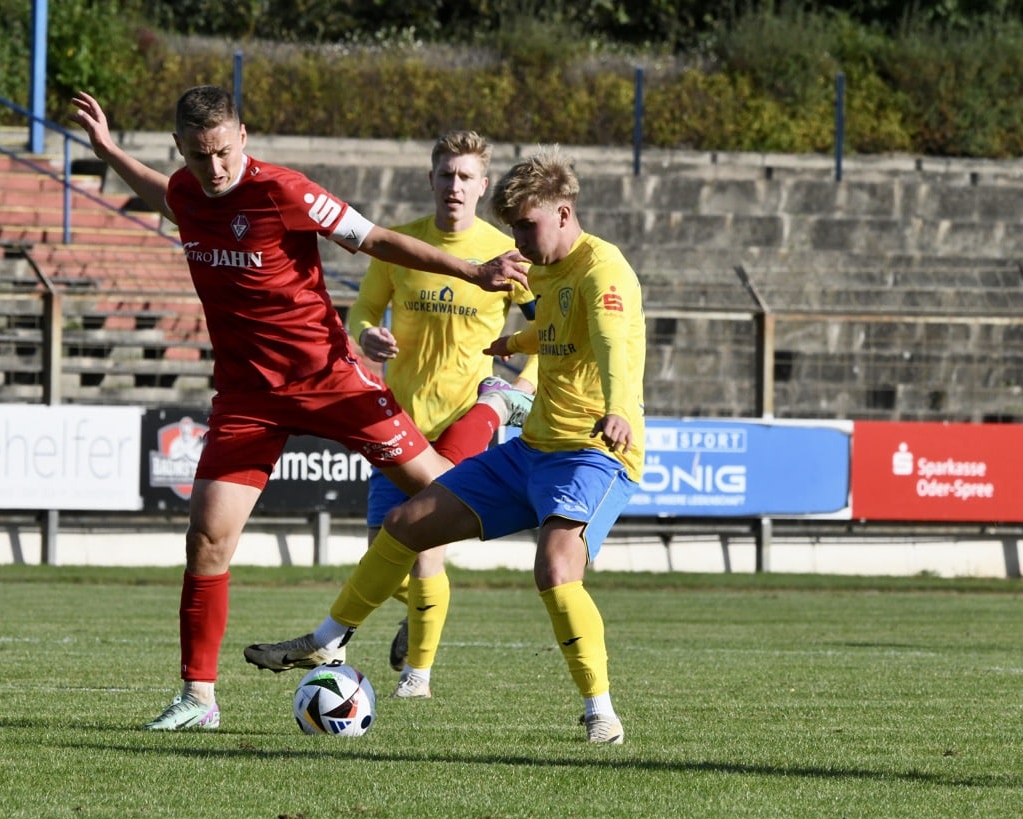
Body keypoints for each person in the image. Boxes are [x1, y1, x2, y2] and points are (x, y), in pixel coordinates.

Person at [69, 86, 531, 732]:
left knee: (447, 497)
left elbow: (375, 239)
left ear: (243, 137)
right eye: (199, 156)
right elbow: (164, 195)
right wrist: (110, 152)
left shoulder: (283, 190)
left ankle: (496, 410)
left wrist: (472, 272)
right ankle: (198, 698)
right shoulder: (187, 191)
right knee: (206, 536)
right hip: (247, 396)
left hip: (329, 377)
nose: (215, 168)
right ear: (181, 149)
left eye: (224, 152)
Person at [245, 146, 647, 744]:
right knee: (406, 524)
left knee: (556, 567)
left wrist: (617, 408)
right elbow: (559, 328)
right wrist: (516, 345)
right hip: (532, 448)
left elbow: (612, 341)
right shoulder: (542, 267)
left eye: (527, 226)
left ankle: (600, 711)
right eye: (513, 229)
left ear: (564, 213)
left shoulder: (603, 269)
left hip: (593, 451)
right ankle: (327, 640)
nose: (519, 241)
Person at [345, 129, 538, 699]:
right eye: (446, 174)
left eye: (465, 177)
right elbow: (362, 309)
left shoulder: (506, 255)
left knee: (425, 545)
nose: (455, 185)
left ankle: (417, 678)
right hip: (400, 421)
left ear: (482, 186)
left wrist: (519, 389)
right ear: (430, 179)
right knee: (383, 552)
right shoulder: (400, 245)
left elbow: (551, 332)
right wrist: (367, 335)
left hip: (465, 419)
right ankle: (419, 617)